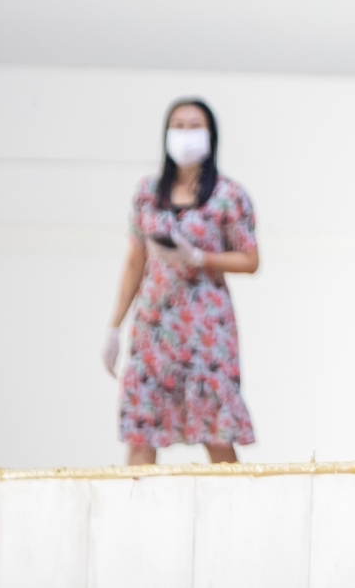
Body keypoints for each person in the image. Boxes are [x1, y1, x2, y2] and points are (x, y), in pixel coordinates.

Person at [103, 99, 260, 464]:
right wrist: (114, 326)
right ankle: (135, 499)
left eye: (194, 126)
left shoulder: (228, 195)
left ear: (210, 135)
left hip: (206, 329)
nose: (186, 133)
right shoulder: (147, 193)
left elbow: (250, 258)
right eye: (178, 125)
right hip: (154, 326)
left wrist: (200, 258)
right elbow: (135, 260)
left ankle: (231, 499)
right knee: (142, 431)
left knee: (216, 431)